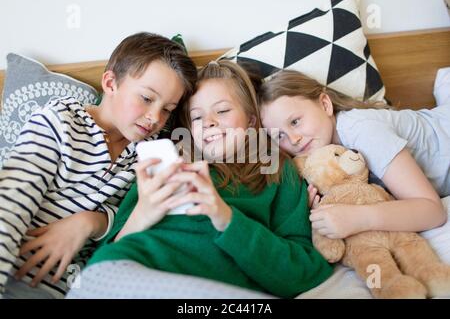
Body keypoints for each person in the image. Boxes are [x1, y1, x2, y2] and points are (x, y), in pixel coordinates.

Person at [80, 60, 333, 299]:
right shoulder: (166, 163)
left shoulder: (277, 170)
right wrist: (145, 208)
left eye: (222, 111)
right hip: (129, 271)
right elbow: (110, 252)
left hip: (207, 285)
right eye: (197, 117)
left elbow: (305, 272)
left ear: (251, 120)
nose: (209, 123)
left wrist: (227, 219)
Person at [0, 32, 197, 298]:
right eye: (147, 99)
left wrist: (92, 222)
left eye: (167, 109)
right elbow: (10, 205)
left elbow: (128, 233)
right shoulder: (59, 121)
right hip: (13, 277)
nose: (155, 118)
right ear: (110, 83)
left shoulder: (148, 156)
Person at [258, 70, 449, 240]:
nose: (293, 139)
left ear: (325, 105)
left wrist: (359, 218)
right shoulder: (314, 161)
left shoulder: (362, 130)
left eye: (295, 122)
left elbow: (432, 211)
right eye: (279, 136)